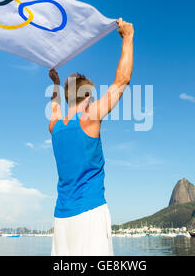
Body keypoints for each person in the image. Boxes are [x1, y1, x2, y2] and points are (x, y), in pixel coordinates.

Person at [48, 18, 134, 256]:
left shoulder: (54, 127)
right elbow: (122, 81)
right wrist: (128, 37)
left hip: (62, 218)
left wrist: (56, 84)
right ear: (86, 97)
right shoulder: (90, 118)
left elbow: (55, 107)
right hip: (91, 214)